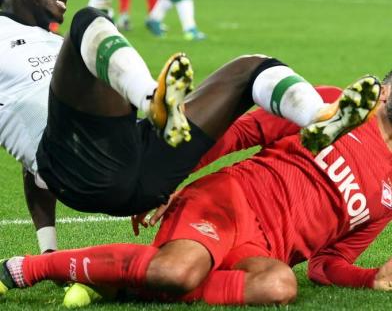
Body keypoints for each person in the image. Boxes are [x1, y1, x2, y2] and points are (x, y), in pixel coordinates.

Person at [0, 0, 378, 253]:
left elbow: (36, 144)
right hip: (76, 169)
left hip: (139, 169)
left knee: (251, 68)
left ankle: (320, 119)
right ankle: (155, 104)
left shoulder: (57, 47)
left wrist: (47, 247)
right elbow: (38, 149)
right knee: (89, 21)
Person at [0, 80, 389, 308]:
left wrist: (370, 277)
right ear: (385, 91)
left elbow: (327, 264)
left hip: (265, 253)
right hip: (229, 200)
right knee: (176, 272)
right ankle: (24, 269)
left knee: (280, 286)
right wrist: (167, 177)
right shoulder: (331, 105)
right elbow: (240, 133)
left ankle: (118, 278)